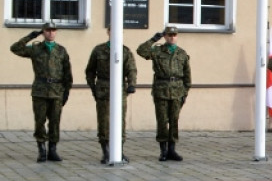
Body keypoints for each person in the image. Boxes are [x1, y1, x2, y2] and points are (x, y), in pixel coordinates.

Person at [10, 21, 73, 162]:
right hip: (40, 91)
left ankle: (52, 149)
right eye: (48, 30)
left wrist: (67, 91)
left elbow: (67, 72)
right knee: (40, 121)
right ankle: (41, 150)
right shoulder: (36, 49)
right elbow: (15, 48)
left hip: (57, 91)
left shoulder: (61, 50)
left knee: (55, 121)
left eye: (53, 30)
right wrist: (30, 36)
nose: (51, 33)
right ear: (43, 32)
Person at [137, 26, 191, 162]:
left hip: (177, 91)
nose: (172, 37)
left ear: (177, 36)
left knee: (174, 120)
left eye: (174, 35)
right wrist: (154, 39)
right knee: (162, 120)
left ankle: (172, 149)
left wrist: (185, 92)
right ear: (165, 36)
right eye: (169, 35)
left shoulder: (182, 54)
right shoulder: (157, 51)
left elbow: (187, 75)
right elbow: (141, 51)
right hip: (161, 90)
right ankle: (163, 150)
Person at [85, 29, 138, 164]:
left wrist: (131, 84)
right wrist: (93, 88)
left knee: (120, 120)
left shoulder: (125, 51)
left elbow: (131, 69)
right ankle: (106, 151)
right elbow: (90, 71)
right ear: (108, 32)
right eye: (113, 31)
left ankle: (119, 150)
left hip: (120, 89)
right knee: (104, 121)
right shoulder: (99, 50)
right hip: (103, 89)